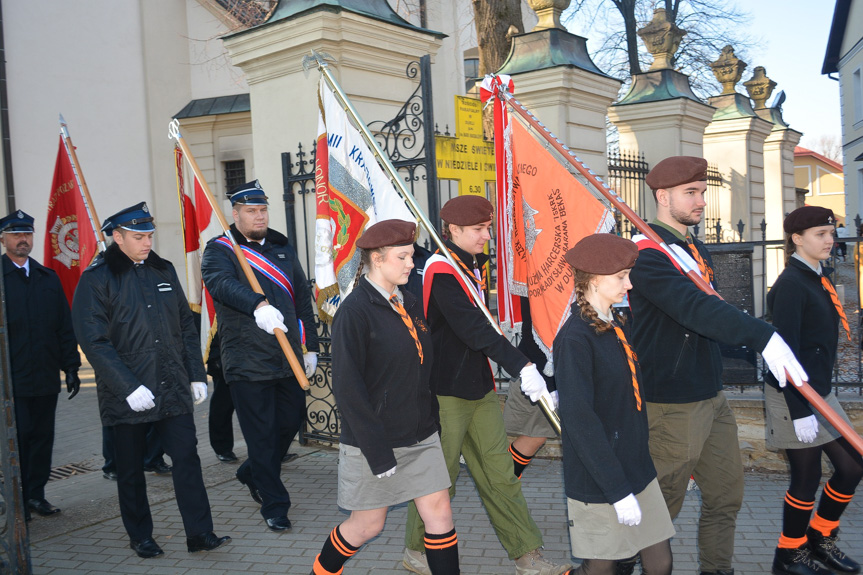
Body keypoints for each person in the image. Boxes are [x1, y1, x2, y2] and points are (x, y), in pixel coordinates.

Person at [628, 156, 807, 575]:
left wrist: (756, 344)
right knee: (658, 510)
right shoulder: (648, 254)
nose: (701, 201)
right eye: (691, 193)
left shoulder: (693, 247)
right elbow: (693, 308)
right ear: (662, 196)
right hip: (672, 403)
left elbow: (718, 312)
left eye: (702, 192)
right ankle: (615, 567)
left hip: (711, 394)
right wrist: (764, 338)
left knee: (726, 496)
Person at [403, 195, 570, 575]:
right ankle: (415, 550)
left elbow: (484, 326)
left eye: (488, 228)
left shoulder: (472, 264)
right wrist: (522, 364)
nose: (486, 236)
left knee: (500, 475)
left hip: (477, 388)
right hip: (444, 393)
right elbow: (472, 328)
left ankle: (527, 555)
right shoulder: (442, 270)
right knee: (438, 480)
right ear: (455, 230)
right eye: (479, 229)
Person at [72, 202, 230, 558]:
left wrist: (196, 374)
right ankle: (140, 535)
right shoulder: (97, 279)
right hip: (127, 394)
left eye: (149, 235)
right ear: (117, 237)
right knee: (130, 470)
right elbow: (93, 341)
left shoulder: (163, 270)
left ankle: (200, 533)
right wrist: (127, 386)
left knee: (187, 459)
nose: (147, 242)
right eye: (138, 236)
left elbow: (185, 328)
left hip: (171, 386)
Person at [311, 220, 459, 575]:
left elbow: (419, 368)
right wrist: (377, 453)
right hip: (374, 442)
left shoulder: (406, 301)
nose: (412, 264)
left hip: (420, 434)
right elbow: (348, 389)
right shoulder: (355, 312)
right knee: (367, 526)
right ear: (377, 259)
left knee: (439, 511)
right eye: (403, 256)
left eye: (411, 256)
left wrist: (432, 424)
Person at [201, 180, 319, 532]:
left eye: (263, 210)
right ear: (235, 214)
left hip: (286, 358)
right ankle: (275, 504)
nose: (259, 216)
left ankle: (251, 471)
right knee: (262, 434)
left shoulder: (282, 248)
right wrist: (256, 304)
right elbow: (220, 283)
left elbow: (301, 298)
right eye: (251, 211)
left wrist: (310, 344)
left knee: (290, 420)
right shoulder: (220, 250)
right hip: (247, 360)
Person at [554, 233, 674, 575]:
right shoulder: (575, 338)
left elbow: (629, 404)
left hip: (637, 469)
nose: (630, 284)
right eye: (621, 276)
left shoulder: (617, 324)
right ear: (593, 279)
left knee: (660, 563)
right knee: (601, 569)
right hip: (599, 476)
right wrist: (618, 491)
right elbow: (580, 421)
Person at [766, 206, 862, 575]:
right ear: (797, 239)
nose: (829, 240)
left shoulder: (816, 277)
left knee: (852, 467)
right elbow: (783, 353)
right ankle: (789, 554)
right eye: (821, 234)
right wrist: (801, 409)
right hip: (795, 395)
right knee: (806, 478)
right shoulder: (790, 285)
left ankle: (821, 539)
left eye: (831, 233)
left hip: (818, 392)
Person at [0, 210, 80, 520]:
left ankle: (36, 495)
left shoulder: (48, 277)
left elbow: (63, 325)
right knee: (17, 439)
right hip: (11, 379)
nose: (23, 240)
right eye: (16, 234)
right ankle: (16, 500)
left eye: (27, 234)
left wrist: (71, 366)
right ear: (3, 238)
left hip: (45, 375)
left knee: (42, 437)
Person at [504, 297, 557, 480]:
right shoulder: (538, 274)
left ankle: (503, 487)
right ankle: (502, 486)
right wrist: (551, 384)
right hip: (538, 371)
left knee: (536, 435)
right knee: (535, 435)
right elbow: (533, 329)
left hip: (550, 368)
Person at [206, 333, 239, 463]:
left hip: (251, 355)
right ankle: (222, 448)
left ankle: (272, 447)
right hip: (222, 355)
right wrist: (214, 359)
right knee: (223, 405)